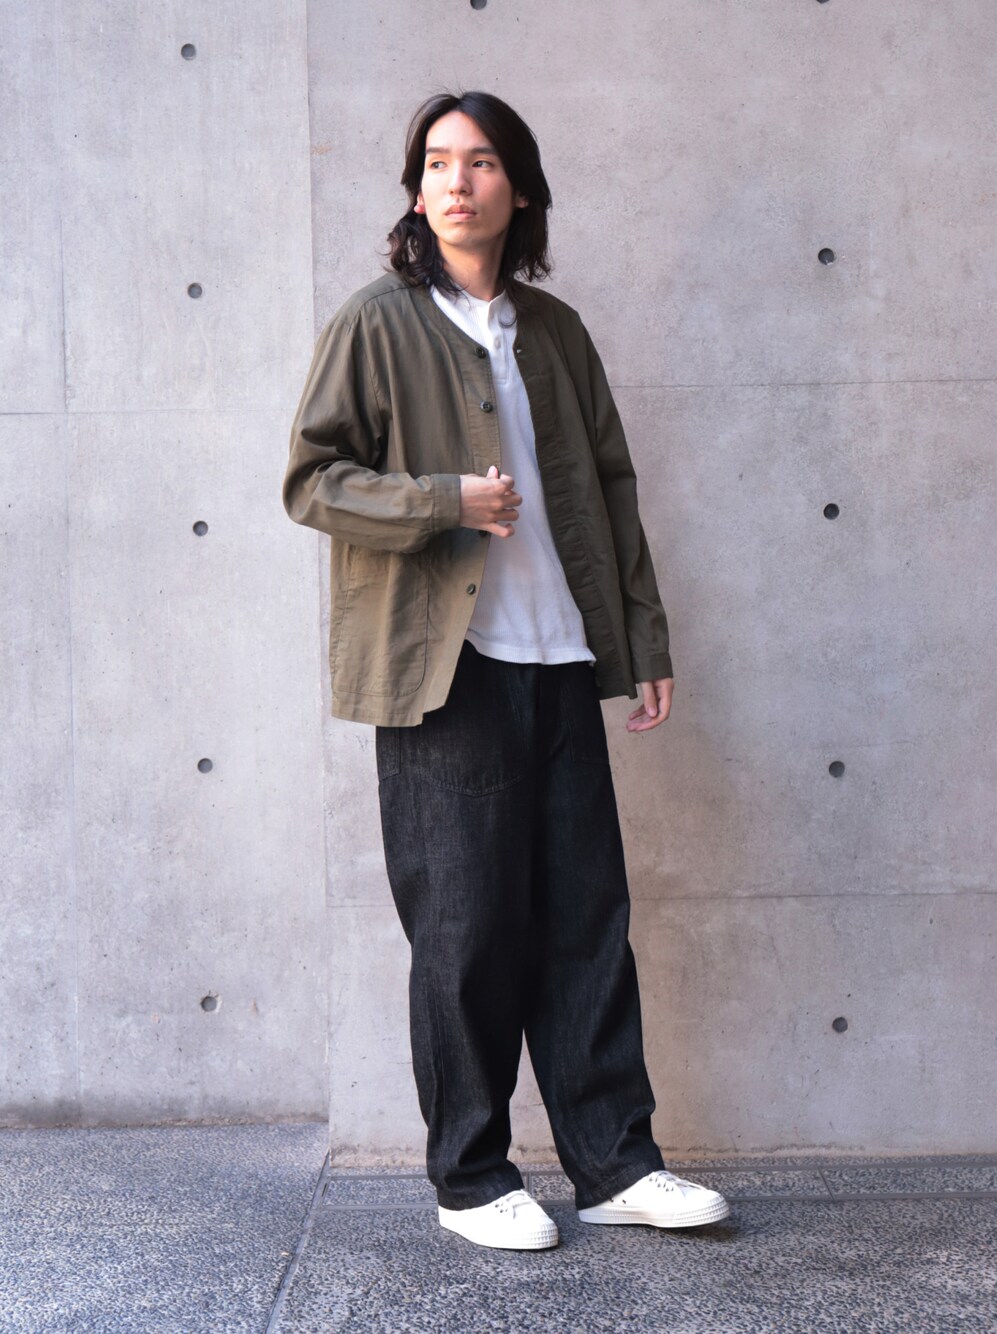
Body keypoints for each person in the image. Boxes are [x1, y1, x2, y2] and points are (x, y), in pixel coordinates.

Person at [283, 90, 729, 1251]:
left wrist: (639, 641)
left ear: (517, 188)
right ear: (415, 190)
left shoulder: (556, 331)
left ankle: (615, 1163)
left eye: (479, 162)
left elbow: (611, 490)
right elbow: (312, 480)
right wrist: (444, 500)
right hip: (449, 671)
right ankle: (472, 1175)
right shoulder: (377, 323)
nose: (456, 181)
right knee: (467, 927)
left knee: (586, 921)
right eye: (436, 163)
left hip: (560, 654)